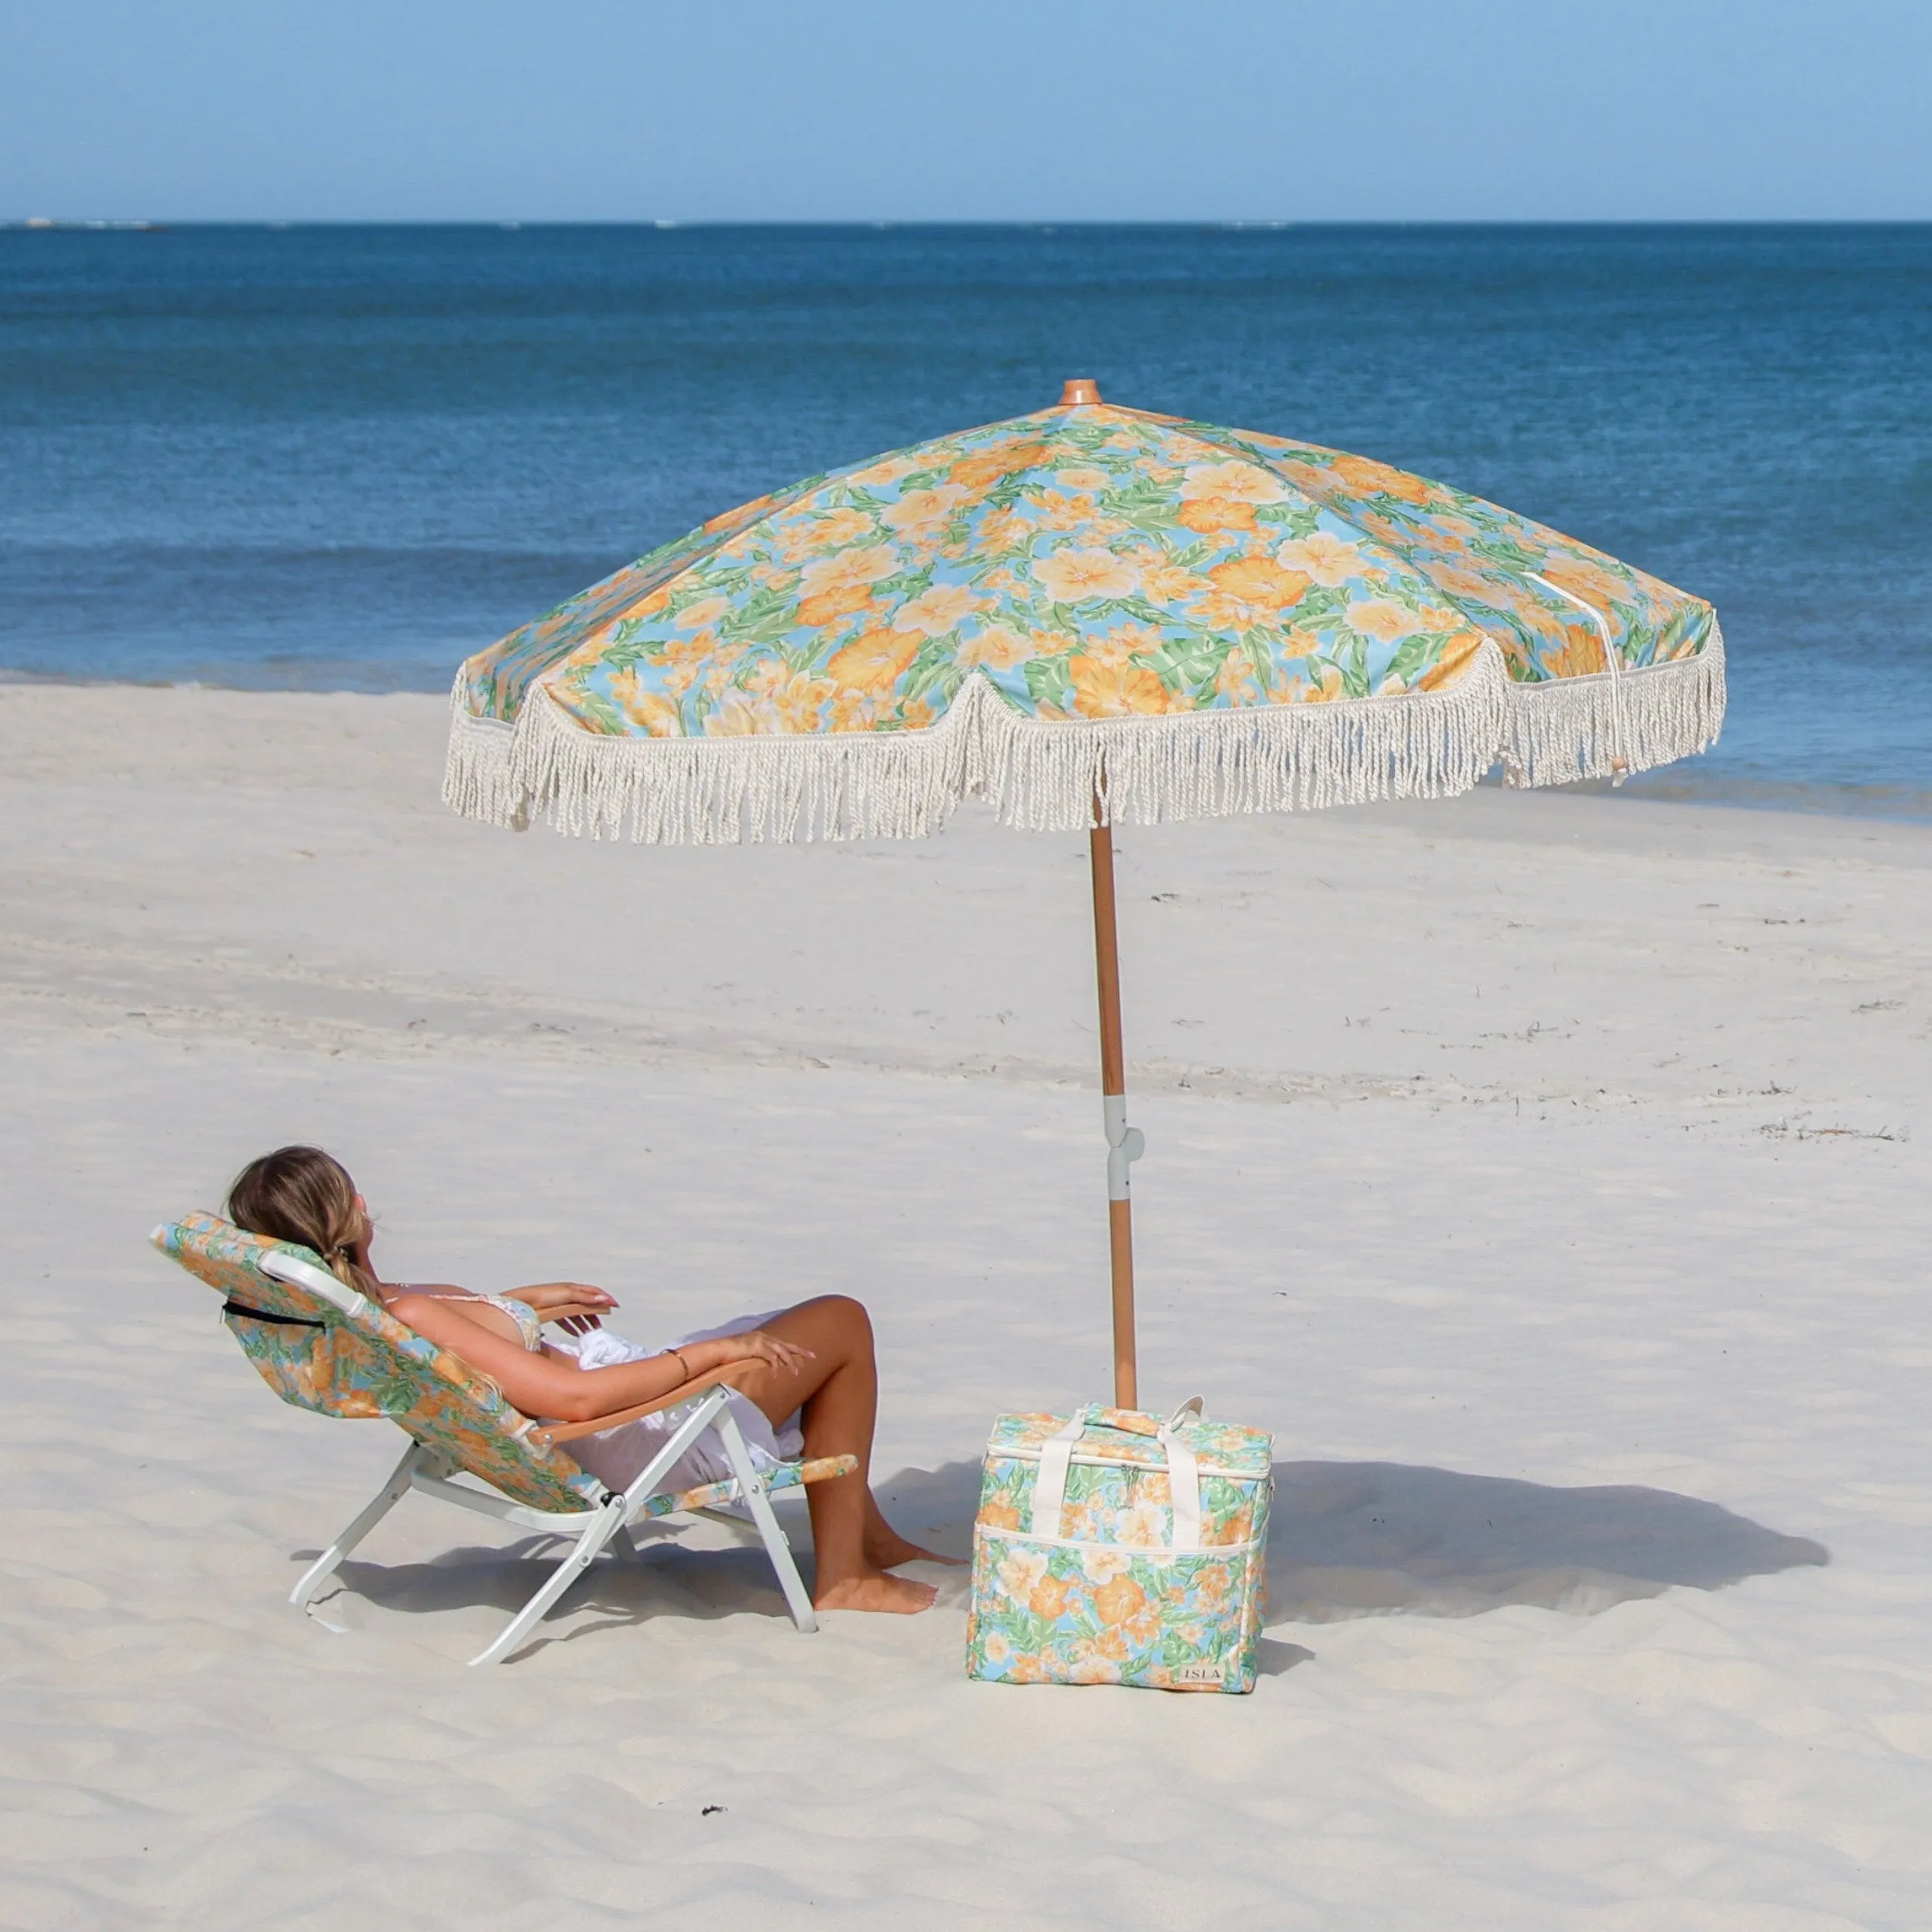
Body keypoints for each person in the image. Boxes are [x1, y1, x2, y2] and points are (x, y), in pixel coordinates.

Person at [226, 1144, 947, 1614]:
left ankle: (866, 1535)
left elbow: (472, 1348)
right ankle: (844, 1572)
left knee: (801, 1328)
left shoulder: (384, 1311)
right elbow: (570, 1399)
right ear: (346, 1211)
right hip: (637, 1427)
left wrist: (524, 1306)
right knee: (841, 1321)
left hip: (618, 1412)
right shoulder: (409, 1310)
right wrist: (712, 1356)